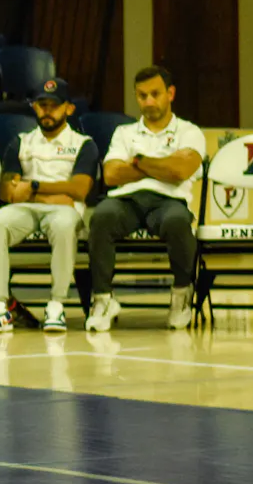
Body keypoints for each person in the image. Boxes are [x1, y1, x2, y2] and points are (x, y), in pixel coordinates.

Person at [85, 65, 206, 332]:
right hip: (126, 201)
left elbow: (181, 171)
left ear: (170, 93)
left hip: (169, 201)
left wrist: (138, 161)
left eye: (155, 94)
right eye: (142, 96)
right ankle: (104, 300)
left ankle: (181, 295)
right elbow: (111, 175)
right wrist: (162, 164)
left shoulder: (189, 131)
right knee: (102, 216)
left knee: (178, 222)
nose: (148, 101)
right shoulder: (124, 133)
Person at [0, 78, 97, 333]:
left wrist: (32, 187)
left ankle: (56, 304)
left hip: (63, 212)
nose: (47, 110)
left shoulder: (83, 144)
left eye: (53, 105)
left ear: (69, 108)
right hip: (28, 210)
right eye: (41, 105)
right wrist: (53, 195)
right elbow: (8, 191)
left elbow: (79, 190)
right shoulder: (21, 142)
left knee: (65, 224)